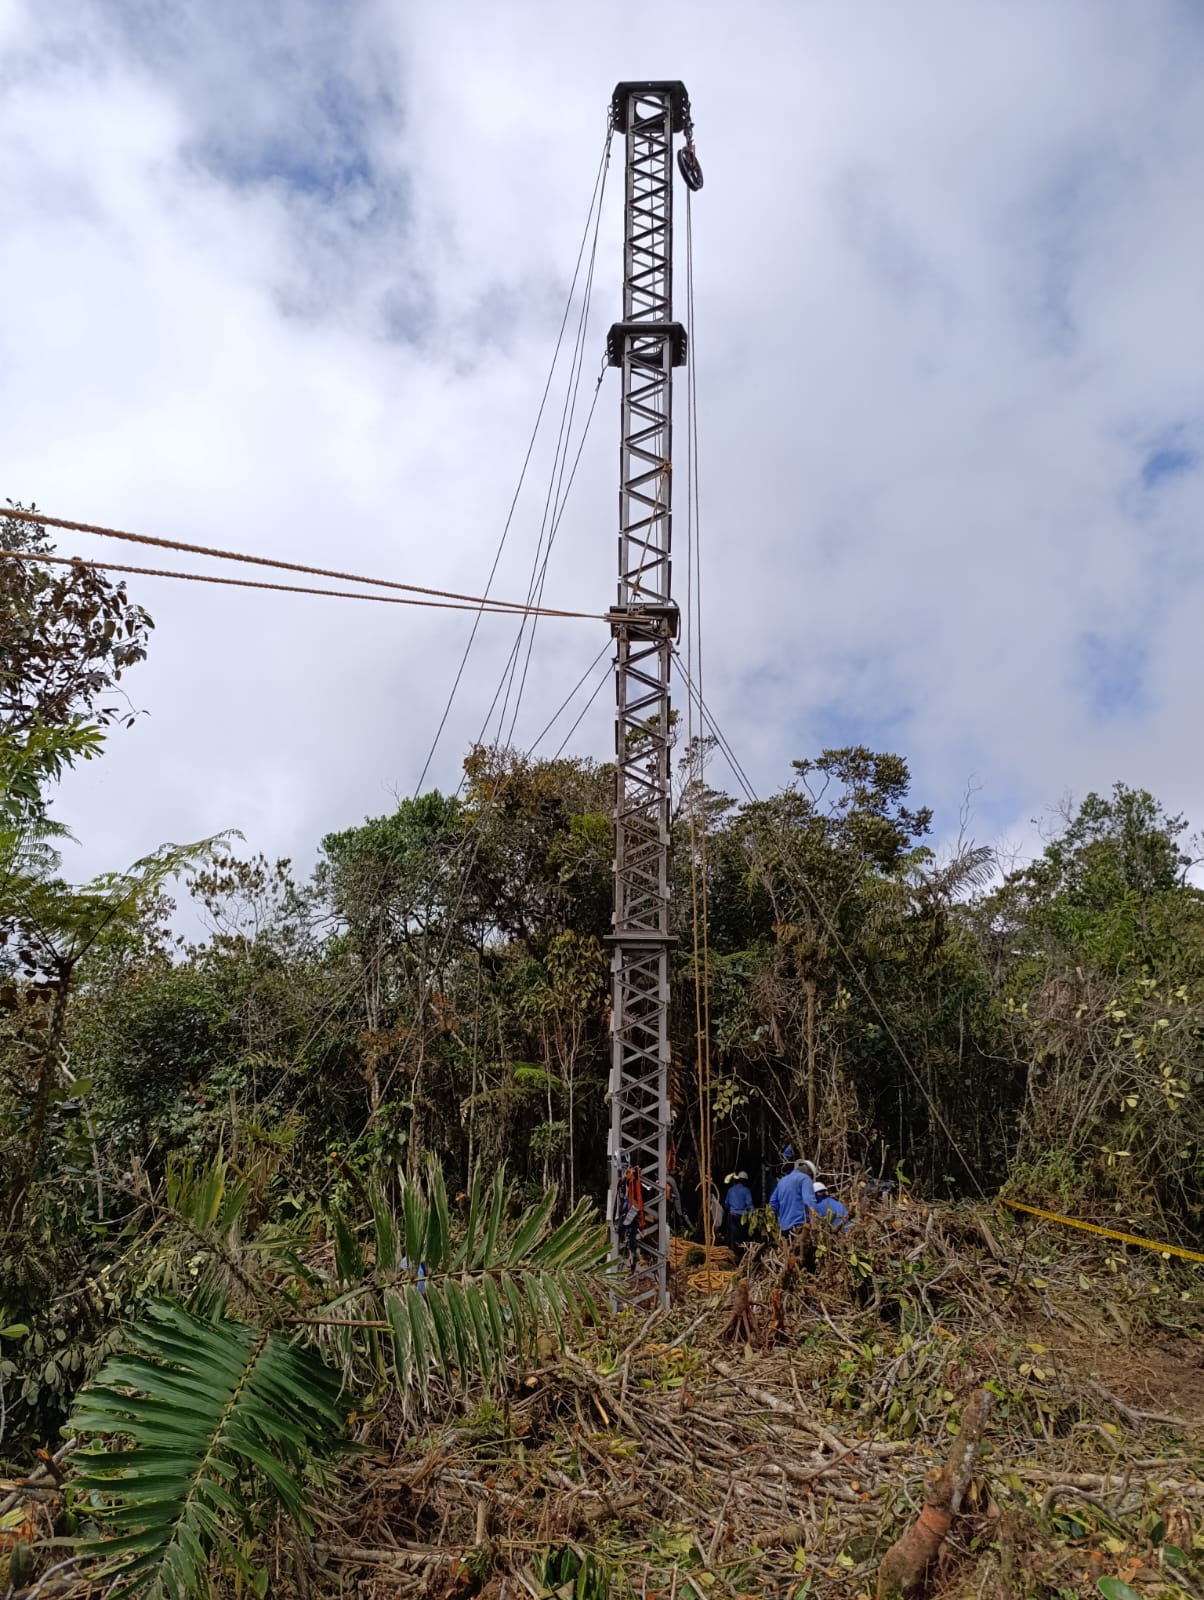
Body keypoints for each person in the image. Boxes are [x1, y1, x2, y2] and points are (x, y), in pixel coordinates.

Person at [768, 1158, 818, 1238]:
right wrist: (816, 1218)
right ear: (809, 1172)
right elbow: (809, 1200)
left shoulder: (782, 1181)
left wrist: (782, 1215)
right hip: (799, 1226)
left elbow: (773, 1202)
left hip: (784, 1227)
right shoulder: (805, 1178)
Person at [724, 1170, 754, 1253]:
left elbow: (726, 1203)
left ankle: (732, 1251)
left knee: (732, 1235)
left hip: (732, 1214)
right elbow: (749, 1204)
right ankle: (741, 1252)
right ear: (745, 1181)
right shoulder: (746, 1190)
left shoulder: (730, 1190)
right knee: (742, 1235)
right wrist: (753, 1214)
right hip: (742, 1216)